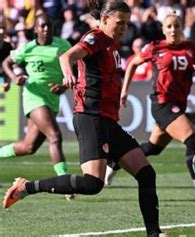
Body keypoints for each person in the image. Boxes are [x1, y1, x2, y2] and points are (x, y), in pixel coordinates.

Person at [3, 1, 162, 236]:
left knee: (146, 173)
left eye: (127, 24)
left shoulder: (112, 43)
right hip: (91, 117)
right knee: (92, 184)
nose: (124, 28)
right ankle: (26, 187)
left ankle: (154, 233)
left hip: (108, 120)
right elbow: (67, 56)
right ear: (105, 19)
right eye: (120, 23)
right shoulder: (96, 37)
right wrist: (68, 74)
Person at [112, 11, 195, 204]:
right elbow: (132, 64)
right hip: (162, 103)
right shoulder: (155, 47)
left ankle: (115, 162)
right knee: (192, 139)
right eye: (169, 26)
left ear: (182, 29)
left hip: (178, 105)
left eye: (176, 26)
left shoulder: (191, 49)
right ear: (163, 29)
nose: (173, 30)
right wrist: (124, 90)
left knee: (153, 148)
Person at [0, 14, 73, 200]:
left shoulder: (63, 46)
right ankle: (64, 181)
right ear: (36, 29)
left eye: (48, 26)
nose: (46, 29)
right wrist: (15, 77)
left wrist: (64, 85)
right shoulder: (28, 48)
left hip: (52, 99)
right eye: (42, 26)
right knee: (55, 136)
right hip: (34, 96)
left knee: (28, 147)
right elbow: (6, 62)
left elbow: (77, 70)